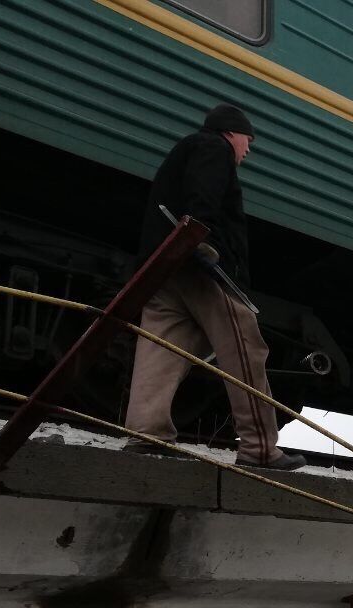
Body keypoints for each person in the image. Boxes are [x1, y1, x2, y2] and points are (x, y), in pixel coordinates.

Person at [124, 104, 304, 470]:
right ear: (230, 133)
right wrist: (201, 241)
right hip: (200, 266)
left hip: (164, 269)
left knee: (161, 346)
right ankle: (259, 447)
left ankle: (146, 432)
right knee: (245, 345)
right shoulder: (213, 148)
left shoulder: (187, 150)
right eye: (247, 140)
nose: (248, 149)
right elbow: (202, 199)